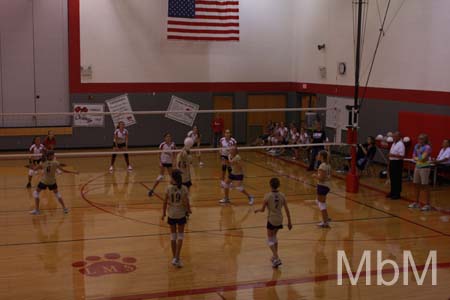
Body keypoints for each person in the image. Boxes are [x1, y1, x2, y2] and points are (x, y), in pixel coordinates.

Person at [254, 178, 293, 268]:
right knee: (274, 237)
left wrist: (257, 210)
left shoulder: (267, 196)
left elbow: (263, 210)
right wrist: (289, 222)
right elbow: (287, 210)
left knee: (269, 239)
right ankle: (275, 259)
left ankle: (277, 257)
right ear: (278, 185)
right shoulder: (282, 195)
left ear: (270, 185)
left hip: (271, 220)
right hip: (280, 219)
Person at [30, 151, 78, 215]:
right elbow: (63, 171)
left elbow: (34, 169)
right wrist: (73, 172)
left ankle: (37, 210)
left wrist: (31, 163)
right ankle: (64, 208)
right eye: (53, 155)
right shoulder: (56, 163)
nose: (54, 156)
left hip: (44, 181)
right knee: (57, 194)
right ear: (50, 156)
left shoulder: (43, 163)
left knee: (36, 193)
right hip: (52, 182)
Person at [161, 169, 191, 268]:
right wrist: (189, 210)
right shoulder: (184, 188)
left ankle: (174, 258)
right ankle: (177, 258)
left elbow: (165, 202)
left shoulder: (168, 188)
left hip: (171, 215)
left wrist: (163, 214)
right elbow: (186, 202)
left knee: (173, 236)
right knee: (180, 236)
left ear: (172, 178)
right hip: (181, 214)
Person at [409, 134, 432, 211]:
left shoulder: (427, 147)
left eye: (422, 139)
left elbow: (423, 158)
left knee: (425, 185)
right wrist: (417, 158)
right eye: (419, 139)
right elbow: (413, 155)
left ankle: (427, 204)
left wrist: (417, 158)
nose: (420, 140)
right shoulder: (416, 146)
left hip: (425, 167)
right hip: (417, 167)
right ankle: (416, 202)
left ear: (425, 140)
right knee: (416, 184)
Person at [312, 150, 331, 228]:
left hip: (322, 186)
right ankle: (326, 218)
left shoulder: (322, 166)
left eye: (318, 154)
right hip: (326, 186)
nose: (317, 156)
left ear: (322, 157)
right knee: (320, 202)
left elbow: (321, 178)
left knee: (321, 204)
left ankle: (325, 222)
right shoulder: (328, 165)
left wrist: (314, 176)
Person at [387, 132, 405, 200]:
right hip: (392, 162)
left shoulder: (401, 144)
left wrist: (392, 155)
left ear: (399, 137)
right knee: (392, 178)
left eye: (395, 136)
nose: (393, 138)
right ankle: (392, 192)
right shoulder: (393, 144)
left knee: (397, 178)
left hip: (397, 162)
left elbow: (402, 156)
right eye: (393, 136)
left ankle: (397, 194)